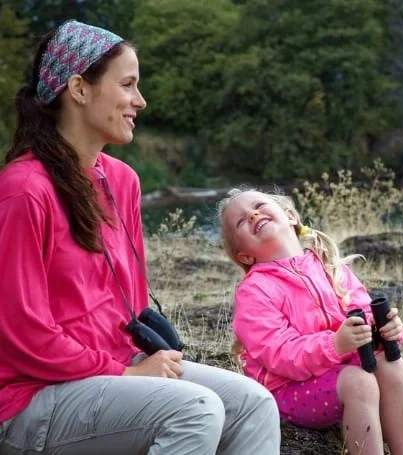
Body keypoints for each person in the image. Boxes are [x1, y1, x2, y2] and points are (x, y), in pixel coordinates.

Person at [0, 20, 280, 455]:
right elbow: (21, 334)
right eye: (128, 85)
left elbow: (129, 305)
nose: (140, 101)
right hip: (32, 396)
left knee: (255, 404)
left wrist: (135, 365)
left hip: (112, 372)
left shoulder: (122, 182)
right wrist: (125, 374)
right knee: (196, 410)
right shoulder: (24, 190)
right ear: (79, 89)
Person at [218, 188, 403, 455]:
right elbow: (280, 354)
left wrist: (387, 331)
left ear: (290, 216)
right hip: (289, 390)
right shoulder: (255, 291)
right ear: (245, 256)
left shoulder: (328, 265)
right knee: (358, 382)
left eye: (259, 205)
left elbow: (362, 313)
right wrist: (335, 344)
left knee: (392, 366)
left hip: (338, 369)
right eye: (241, 221)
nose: (253, 214)